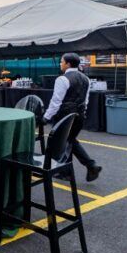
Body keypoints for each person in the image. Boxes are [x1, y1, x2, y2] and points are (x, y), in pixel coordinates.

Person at [43, 52, 102, 182]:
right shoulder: (86, 79)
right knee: (69, 140)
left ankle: (73, 170)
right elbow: (86, 100)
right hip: (79, 116)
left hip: (64, 116)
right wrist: (82, 112)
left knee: (63, 141)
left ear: (68, 64)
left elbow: (56, 102)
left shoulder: (62, 79)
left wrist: (46, 117)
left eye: (62, 61)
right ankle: (87, 167)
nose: (60, 64)